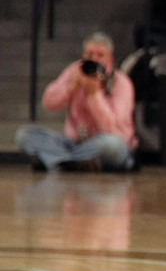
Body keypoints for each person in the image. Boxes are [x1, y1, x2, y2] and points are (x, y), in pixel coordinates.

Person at [16, 32, 137, 172]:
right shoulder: (75, 71)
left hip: (102, 144)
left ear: (110, 58)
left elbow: (111, 129)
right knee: (25, 135)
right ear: (83, 56)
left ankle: (59, 161)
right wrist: (70, 87)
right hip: (74, 143)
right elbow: (48, 103)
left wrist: (94, 94)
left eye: (100, 55)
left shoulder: (121, 83)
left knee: (113, 145)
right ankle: (76, 163)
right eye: (90, 55)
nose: (94, 59)